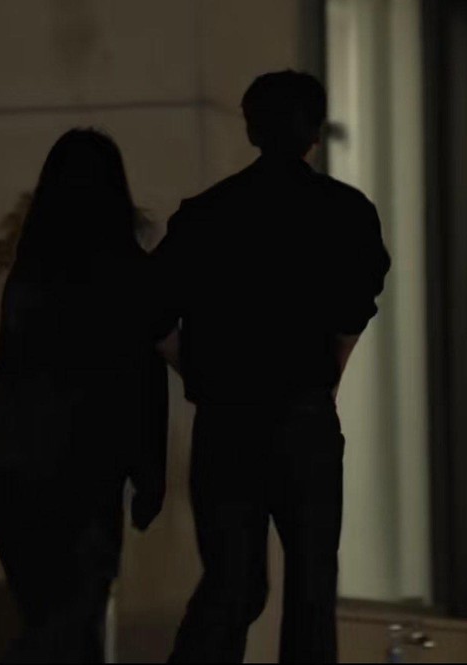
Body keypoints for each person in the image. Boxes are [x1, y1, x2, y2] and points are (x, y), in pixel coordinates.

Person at [152, 70, 391, 664]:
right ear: (315, 132)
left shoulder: (206, 215)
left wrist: (196, 373)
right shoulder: (345, 211)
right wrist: (327, 377)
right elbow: (354, 309)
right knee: (312, 584)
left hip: (227, 419)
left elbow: (150, 311)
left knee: (230, 581)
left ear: (251, 128)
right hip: (303, 417)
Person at [0, 129, 168, 663]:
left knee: (45, 617)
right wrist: (148, 476)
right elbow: (143, 382)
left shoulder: (29, 273)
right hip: (87, 470)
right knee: (75, 620)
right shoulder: (128, 273)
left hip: (16, 467)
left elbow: (10, 368)